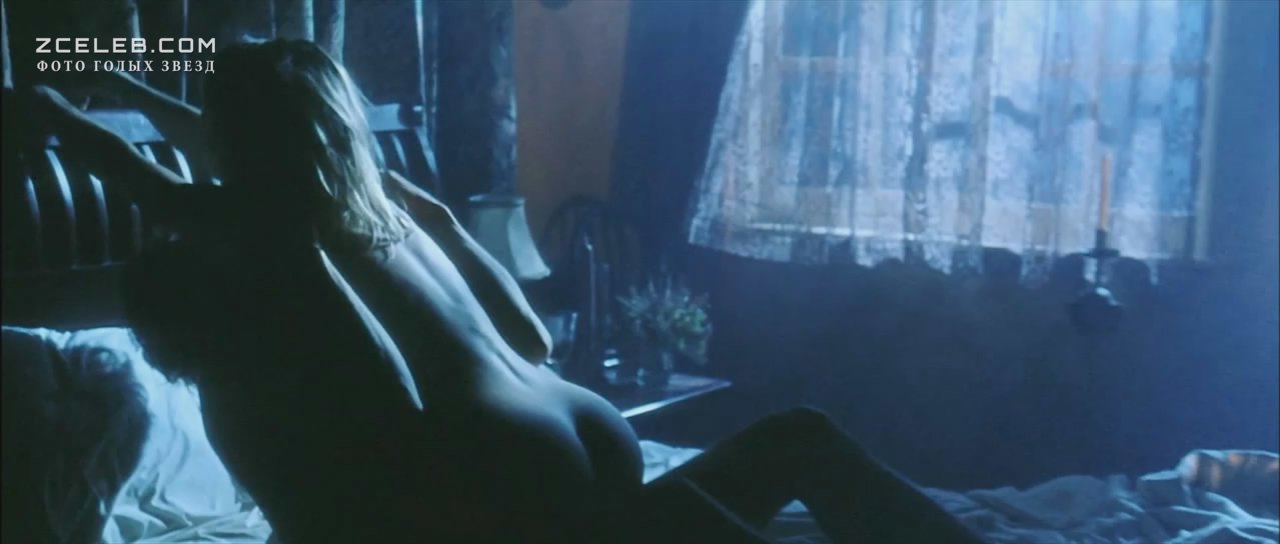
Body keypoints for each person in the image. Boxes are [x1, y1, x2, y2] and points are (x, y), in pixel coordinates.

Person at [22, 39, 986, 544]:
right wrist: (122, 82)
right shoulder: (388, 203)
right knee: (801, 438)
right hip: (586, 463)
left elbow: (146, 177)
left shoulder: (262, 227)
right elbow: (531, 338)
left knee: (775, 462)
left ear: (241, 146)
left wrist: (57, 105)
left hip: (540, 505)